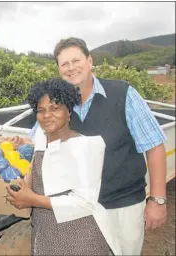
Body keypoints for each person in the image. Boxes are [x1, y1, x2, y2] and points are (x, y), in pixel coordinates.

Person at [29, 37, 167, 255]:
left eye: (76, 60)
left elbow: (154, 145)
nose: (71, 68)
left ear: (90, 61)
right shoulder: (57, 105)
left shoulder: (123, 94)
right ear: (58, 69)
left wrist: (158, 199)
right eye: (64, 64)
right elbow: (38, 142)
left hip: (122, 204)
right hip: (78, 208)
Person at [7, 78, 121, 255]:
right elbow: (35, 173)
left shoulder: (86, 147)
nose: (46, 115)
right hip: (45, 233)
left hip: (79, 238)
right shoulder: (42, 139)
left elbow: (85, 203)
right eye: (41, 110)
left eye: (55, 108)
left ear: (69, 111)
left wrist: (31, 199)